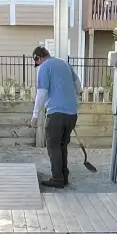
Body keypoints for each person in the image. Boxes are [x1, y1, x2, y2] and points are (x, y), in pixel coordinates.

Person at [28, 44, 82, 188]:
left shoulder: (45, 67)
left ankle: (57, 179)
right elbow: (79, 87)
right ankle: (64, 176)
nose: (37, 65)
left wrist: (35, 115)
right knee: (62, 145)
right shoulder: (65, 64)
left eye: (36, 62)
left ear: (38, 58)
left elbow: (42, 92)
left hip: (56, 114)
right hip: (72, 114)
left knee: (53, 146)